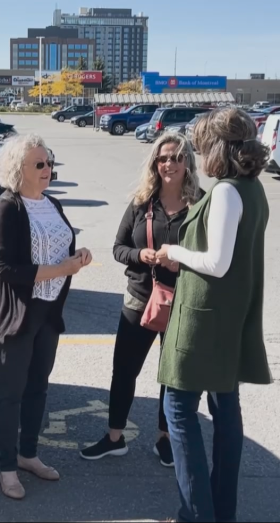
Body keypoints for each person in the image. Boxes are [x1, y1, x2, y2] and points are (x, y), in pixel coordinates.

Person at [154, 108, 272, 523]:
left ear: (218, 148)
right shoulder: (251, 187)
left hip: (207, 316)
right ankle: (221, 512)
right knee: (225, 407)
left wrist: (173, 252)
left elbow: (217, 262)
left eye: (202, 146)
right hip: (230, 312)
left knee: (179, 409)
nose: (198, 154)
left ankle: (196, 513)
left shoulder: (226, 191)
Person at [81, 132, 203, 467]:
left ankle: (165, 438)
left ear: (188, 162)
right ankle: (114, 437)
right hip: (140, 298)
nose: (169, 164)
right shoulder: (141, 202)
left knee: (171, 374)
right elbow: (119, 248)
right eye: (163, 158)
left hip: (182, 301)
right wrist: (141, 255)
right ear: (154, 163)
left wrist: (183, 260)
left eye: (177, 157)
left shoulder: (199, 204)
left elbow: (211, 255)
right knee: (124, 370)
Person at [0, 133, 93, 500]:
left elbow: (60, 248)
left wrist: (78, 258)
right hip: (19, 314)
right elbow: (3, 269)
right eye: (40, 165)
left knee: (39, 388)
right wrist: (59, 268)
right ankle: (6, 467)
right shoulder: (8, 207)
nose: (49, 170)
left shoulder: (52, 204)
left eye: (50, 163)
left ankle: (28, 454)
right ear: (20, 170)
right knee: (11, 394)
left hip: (48, 313)